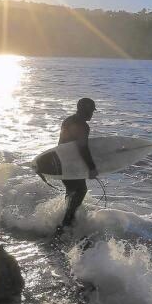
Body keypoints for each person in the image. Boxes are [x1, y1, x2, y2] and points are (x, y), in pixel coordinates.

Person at [56, 97, 98, 236]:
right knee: (81, 190)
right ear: (86, 111)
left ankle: (66, 225)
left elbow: (65, 144)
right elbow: (82, 148)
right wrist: (91, 167)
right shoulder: (82, 126)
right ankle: (66, 224)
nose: (92, 114)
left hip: (62, 163)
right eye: (91, 111)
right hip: (71, 166)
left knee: (71, 193)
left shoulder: (68, 120)